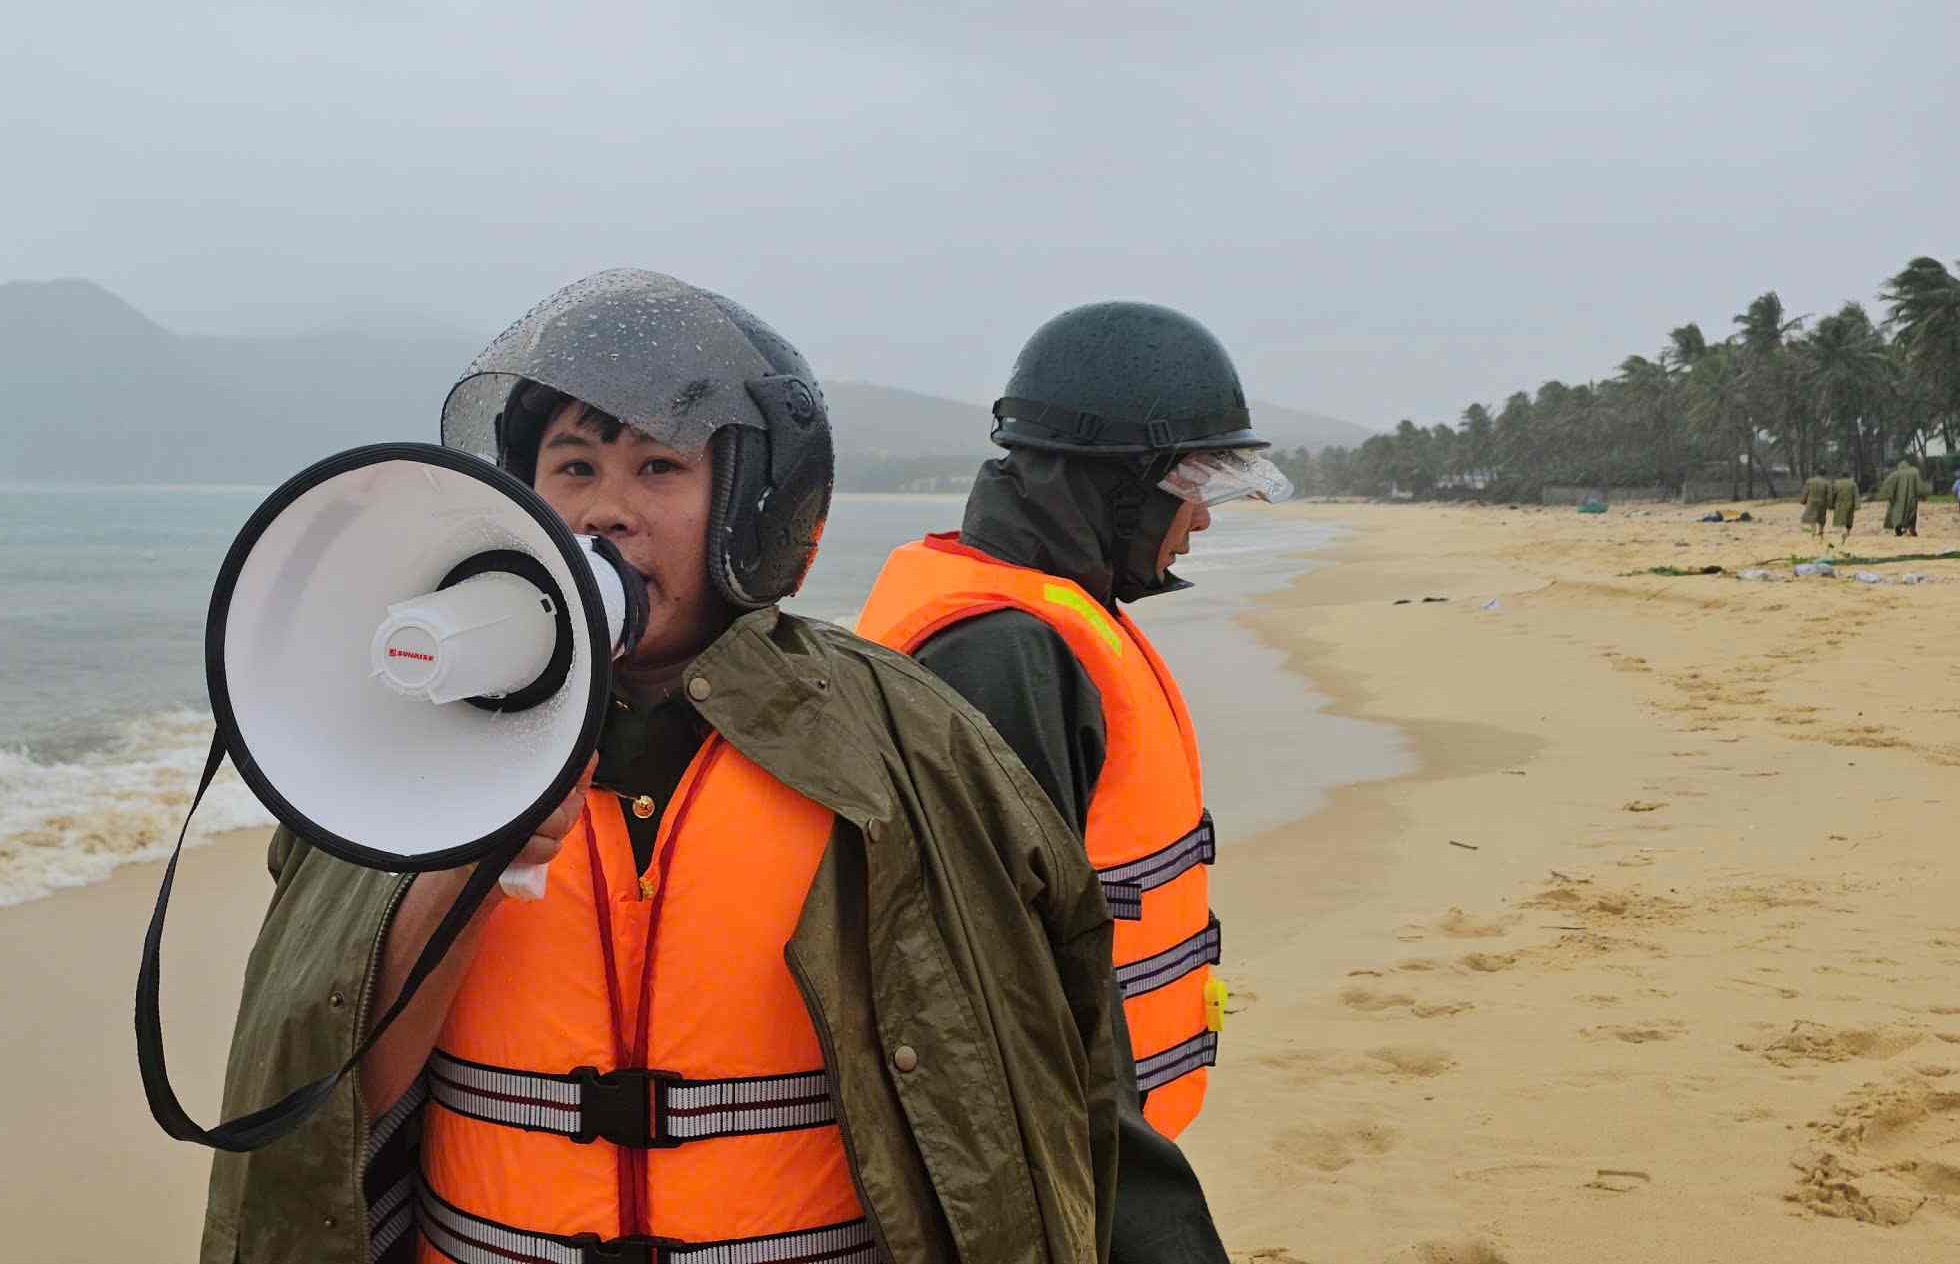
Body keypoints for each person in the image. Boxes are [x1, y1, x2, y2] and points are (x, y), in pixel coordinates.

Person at [200, 270, 1132, 1264]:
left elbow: (1046, 1068)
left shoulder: (905, 743)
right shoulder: (405, 759)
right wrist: (460, 869)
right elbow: (333, 1105)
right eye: (572, 468)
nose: (606, 512)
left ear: (751, 507)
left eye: (656, 467)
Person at [854, 300, 1271, 1263]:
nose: (1203, 513)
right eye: (1195, 479)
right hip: (1063, 1167)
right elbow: (1015, 1007)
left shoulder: (1044, 621)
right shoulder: (1000, 653)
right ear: (1114, 486)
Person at [1883, 455, 1925, 538]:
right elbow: (1919, 486)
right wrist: (1922, 495)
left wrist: (1890, 496)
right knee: (1911, 514)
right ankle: (1911, 529)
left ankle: (1898, 530)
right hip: (1912, 499)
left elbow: (1887, 485)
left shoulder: (1894, 474)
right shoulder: (1914, 473)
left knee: (1897, 514)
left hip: (1898, 500)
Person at [1800, 473, 1831, 542]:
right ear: (1824, 474)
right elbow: (1829, 495)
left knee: (1812, 518)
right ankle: (1821, 531)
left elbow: (1805, 492)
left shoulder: (1809, 481)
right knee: (1822, 519)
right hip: (1822, 503)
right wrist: (1830, 504)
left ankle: (1813, 532)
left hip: (1811, 502)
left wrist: (1803, 500)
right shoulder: (1827, 482)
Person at [1832, 472, 1860, 547]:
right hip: (1850, 504)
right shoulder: (1852, 484)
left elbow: (1833, 494)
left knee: (1839, 521)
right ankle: (1847, 533)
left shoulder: (1836, 483)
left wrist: (1831, 504)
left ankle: (1841, 536)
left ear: (1841, 476)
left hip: (1839, 504)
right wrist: (1857, 505)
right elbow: (1856, 495)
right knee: (1849, 520)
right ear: (1848, 476)